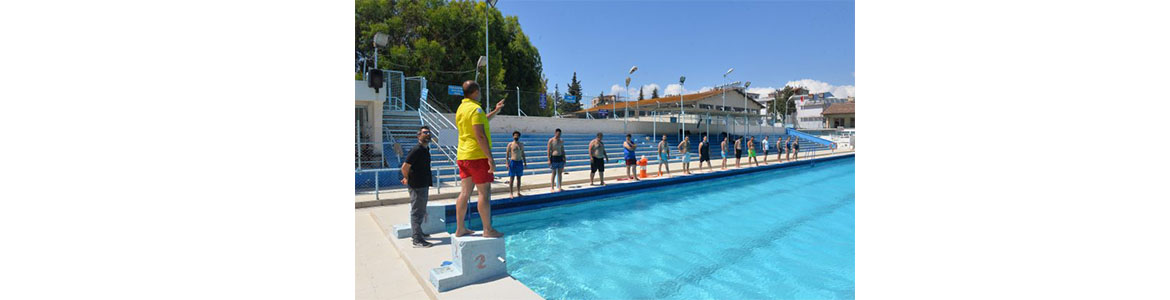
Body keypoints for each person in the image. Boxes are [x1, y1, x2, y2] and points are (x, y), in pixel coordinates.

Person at [454, 80, 505, 238]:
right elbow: (480, 135)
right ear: (475, 92)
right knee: (484, 193)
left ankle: (460, 228)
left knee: (465, 192)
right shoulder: (476, 109)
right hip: (477, 156)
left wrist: (495, 111)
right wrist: (490, 158)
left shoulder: (462, 108)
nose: (481, 93)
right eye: (480, 91)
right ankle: (487, 230)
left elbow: (481, 121)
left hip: (463, 156)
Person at [401, 126, 434, 248]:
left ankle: (418, 232)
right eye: (425, 132)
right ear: (418, 135)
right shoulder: (416, 150)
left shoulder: (425, 149)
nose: (427, 134)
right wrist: (407, 178)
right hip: (417, 185)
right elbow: (404, 167)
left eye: (429, 132)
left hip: (423, 184)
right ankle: (417, 239)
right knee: (417, 211)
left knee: (421, 210)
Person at [505, 131, 526, 198]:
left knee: (519, 178)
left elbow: (523, 153)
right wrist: (507, 163)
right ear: (513, 136)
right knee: (512, 178)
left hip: (519, 162)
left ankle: (518, 192)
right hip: (513, 162)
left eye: (517, 135)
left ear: (519, 136)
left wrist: (525, 162)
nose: (516, 136)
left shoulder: (521, 144)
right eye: (515, 135)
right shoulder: (510, 144)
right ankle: (511, 193)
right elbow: (507, 155)